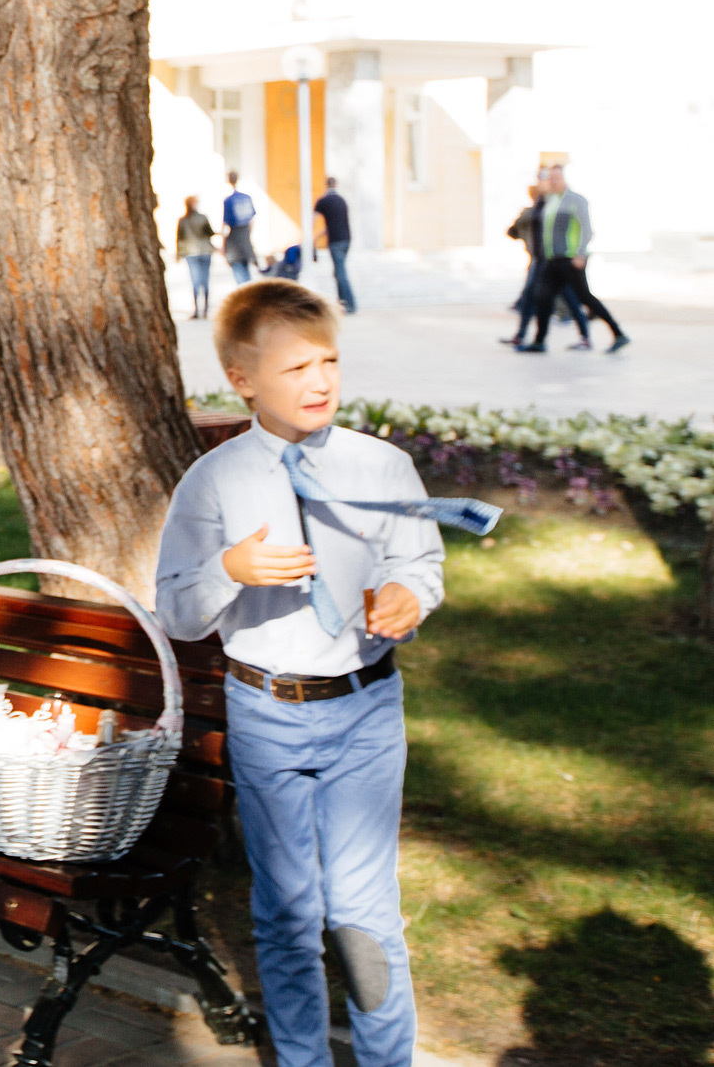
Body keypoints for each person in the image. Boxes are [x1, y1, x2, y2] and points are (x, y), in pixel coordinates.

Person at [155, 280, 489, 1067]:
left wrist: (410, 596)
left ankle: (386, 1059)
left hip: (366, 711)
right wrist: (231, 568)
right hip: (267, 712)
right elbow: (177, 611)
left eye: (329, 362)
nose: (319, 381)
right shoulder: (215, 482)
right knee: (286, 910)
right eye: (296, 367)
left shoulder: (381, 466)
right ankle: (303, 1058)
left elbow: (420, 562)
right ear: (242, 379)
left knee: (366, 909)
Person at [521, 165, 632, 354]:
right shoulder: (550, 200)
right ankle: (539, 341)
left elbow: (587, 229)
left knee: (585, 297)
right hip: (552, 259)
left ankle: (619, 334)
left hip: (570, 259)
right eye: (551, 178)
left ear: (565, 178)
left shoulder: (575, 200)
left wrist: (580, 253)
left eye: (557, 178)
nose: (553, 181)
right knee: (543, 297)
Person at [313, 177, 358, 315]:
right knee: (339, 272)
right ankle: (342, 303)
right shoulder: (342, 200)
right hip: (346, 239)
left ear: (326, 185)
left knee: (340, 273)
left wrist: (311, 238)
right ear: (336, 185)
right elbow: (338, 223)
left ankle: (349, 305)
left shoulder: (323, 201)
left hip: (335, 241)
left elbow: (312, 220)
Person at [176, 195, 217, 319]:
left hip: (191, 252)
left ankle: (197, 310)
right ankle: (205, 309)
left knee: (195, 281)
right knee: (204, 281)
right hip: (204, 251)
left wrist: (178, 254)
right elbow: (209, 233)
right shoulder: (202, 218)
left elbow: (179, 238)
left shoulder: (183, 220)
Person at [220, 171, 259, 288]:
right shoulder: (246, 198)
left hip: (234, 240)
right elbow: (252, 219)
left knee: (239, 273)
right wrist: (247, 234)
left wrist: (223, 245)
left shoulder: (228, 200)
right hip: (245, 238)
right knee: (247, 272)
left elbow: (225, 224)